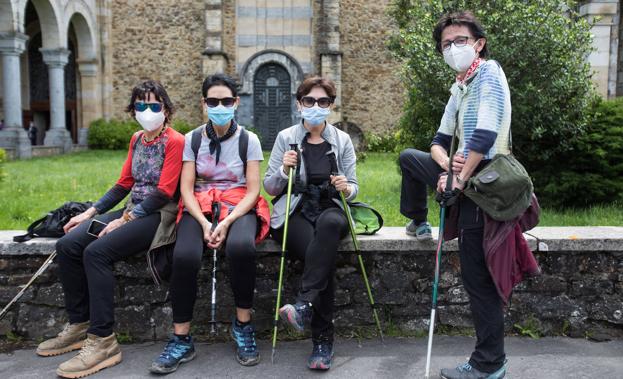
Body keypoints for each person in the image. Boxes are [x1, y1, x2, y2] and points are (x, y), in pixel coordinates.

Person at [36, 80, 185, 378]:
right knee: (68, 245)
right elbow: (123, 184)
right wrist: (89, 213)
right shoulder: (137, 139)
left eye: (154, 105)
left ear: (166, 110)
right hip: (132, 210)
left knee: (97, 253)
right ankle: (79, 325)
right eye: (140, 105)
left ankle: (103, 340)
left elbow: (165, 192)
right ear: (133, 111)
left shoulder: (175, 141)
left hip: (159, 215)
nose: (147, 111)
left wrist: (124, 220)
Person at [399, 11, 511, 379]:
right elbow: (437, 141)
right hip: (462, 174)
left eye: (460, 41)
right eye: (446, 44)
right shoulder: (460, 84)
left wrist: (458, 179)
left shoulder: (489, 73)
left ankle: (489, 364)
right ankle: (418, 220)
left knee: (479, 278)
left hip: (485, 184)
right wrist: (447, 166)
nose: (453, 48)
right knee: (410, 158)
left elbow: (485, 133)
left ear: (478, 43)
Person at [149, 74, 269, 374]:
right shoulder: (193, 139)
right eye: (213, 101)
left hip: (238, 204)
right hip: (199, 204)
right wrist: (204, 223)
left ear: (236, 103)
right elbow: (186, 189)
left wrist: (227, 222)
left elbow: (254, 189)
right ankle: (181, 338)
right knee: (185, 255)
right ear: (204, 104)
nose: (220, 106)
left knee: (241, 248)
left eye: (226, 101)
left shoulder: (248, 139)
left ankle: (243, 326)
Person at [264, 76, 358, 371]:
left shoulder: (341, 140)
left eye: (323, 102)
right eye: (309, 101)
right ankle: (322, 341)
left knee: (328, 229)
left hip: (331, 209)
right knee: (322, 256)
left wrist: (346, 187)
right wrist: (283, 168)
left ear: (330, 106)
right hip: (295, 211)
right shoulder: (286, 138)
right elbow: (270, 187)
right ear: (299, 104)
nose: (315, 106)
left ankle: (303, 306)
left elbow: (354, 186)